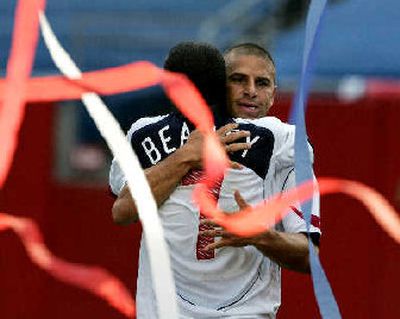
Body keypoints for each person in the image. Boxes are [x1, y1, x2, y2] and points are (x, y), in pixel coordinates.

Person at [109, 42, 320, 318]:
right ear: (219, 85)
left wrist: (260, 235)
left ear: (273, 95)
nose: (251, 91)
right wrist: (185, 156)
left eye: (262, 83)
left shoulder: (282, 142)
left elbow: (309, 256)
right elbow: (122, 211)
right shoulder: (145, 133)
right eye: (238, 79)